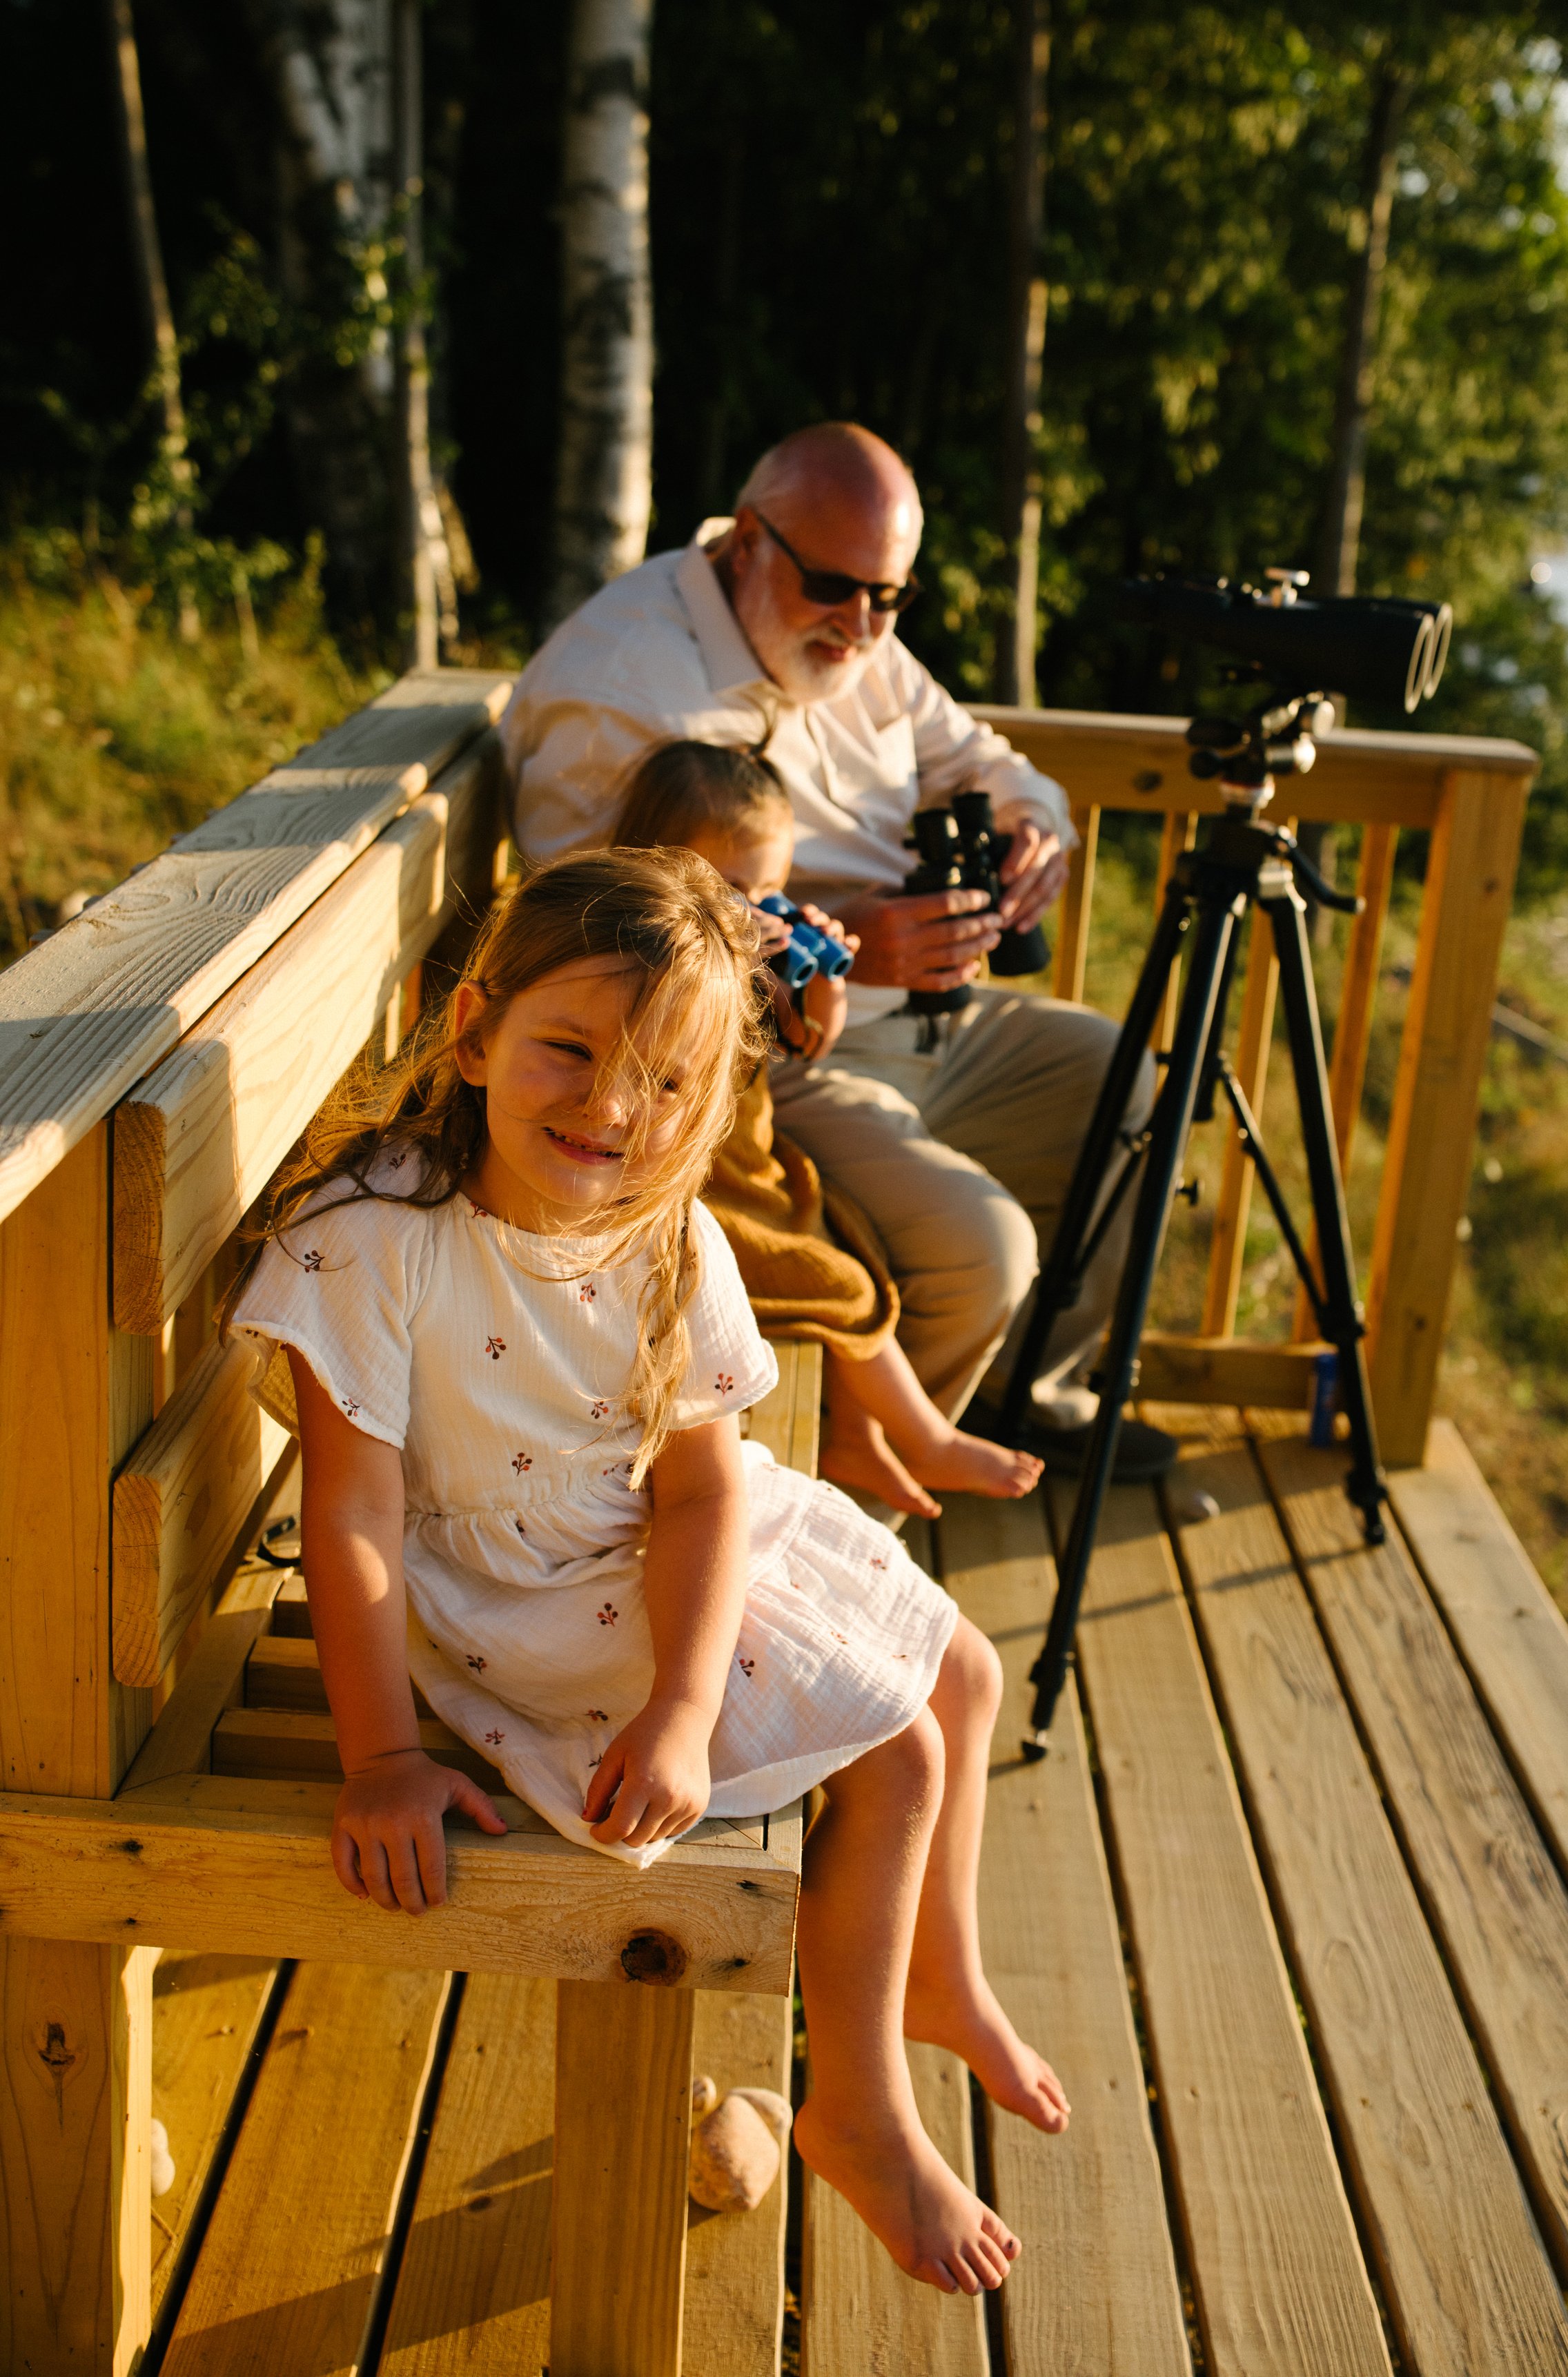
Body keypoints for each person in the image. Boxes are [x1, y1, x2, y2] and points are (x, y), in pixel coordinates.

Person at [227, 850, 1068, 2295]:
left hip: (641, 1527)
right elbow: (352, 1519)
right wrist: (379, 1759)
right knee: (899, 1760)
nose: (613, 1108)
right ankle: (854, 2107)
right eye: (569, 1050)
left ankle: (936, 1974)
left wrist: (687, 1701)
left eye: (667, 1083)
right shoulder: (376, 1240)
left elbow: (697, 1484)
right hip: (518, 1594)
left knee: (964, 1670)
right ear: (474, 1030)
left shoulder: (662, 1226)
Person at [503, 421, 1172, 1474]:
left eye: (890, 596)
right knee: (986, 1253)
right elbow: (597, 947)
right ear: (745, 543)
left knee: (1135, 1086)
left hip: (934, 1011)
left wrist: (1037, 827)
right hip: (781, 1054)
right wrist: (851, 952)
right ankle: (858, 1513)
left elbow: (993, 762)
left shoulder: (846, 634)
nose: (863, 624)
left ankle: (1028, 1396)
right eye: (835, 585)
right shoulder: (623, 688)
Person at [610, 736, 1044, 1519]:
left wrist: (821, 985)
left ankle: (860, 1436)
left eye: (774, 885)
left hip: (756, 1172)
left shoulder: (746, 954)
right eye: (735, 885)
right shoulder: (633, 961)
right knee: (833, 1281)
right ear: (657, 867)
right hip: (688, 1195)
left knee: (851, 1243)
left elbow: (807, 1042)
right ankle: (926, 1438)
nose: (759, 906)